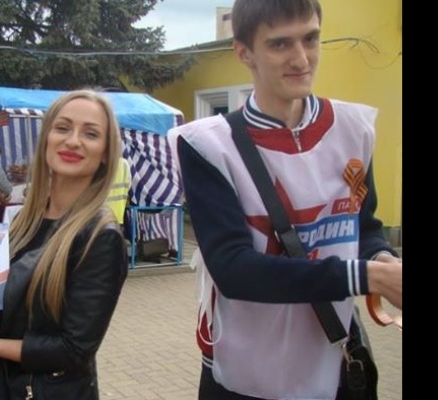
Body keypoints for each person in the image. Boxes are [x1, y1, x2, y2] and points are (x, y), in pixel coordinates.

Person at [166, 1, 403, 399]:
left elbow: (364, 227)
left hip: (336, 367)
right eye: (280, 44)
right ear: (244, 52)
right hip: (246, 379)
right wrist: (368, 276)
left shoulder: (354, 128)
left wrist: (382, 259)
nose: (301, 58)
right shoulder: (207, 145)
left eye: (310, 39)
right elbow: (233, 269)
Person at [0, 89, 128, 400]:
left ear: (105, 153)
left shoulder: (100, 236)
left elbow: (73, 350)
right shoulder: (27, 218)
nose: (73, 140)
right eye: (63, 128)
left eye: (90, 133)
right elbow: (12, 292)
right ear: (46, 139)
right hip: (0, 384)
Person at [106, 157, 131, 228]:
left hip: (102, 214)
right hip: (119, 213)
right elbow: (129, 185)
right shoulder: (124, 164)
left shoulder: (102, 163)